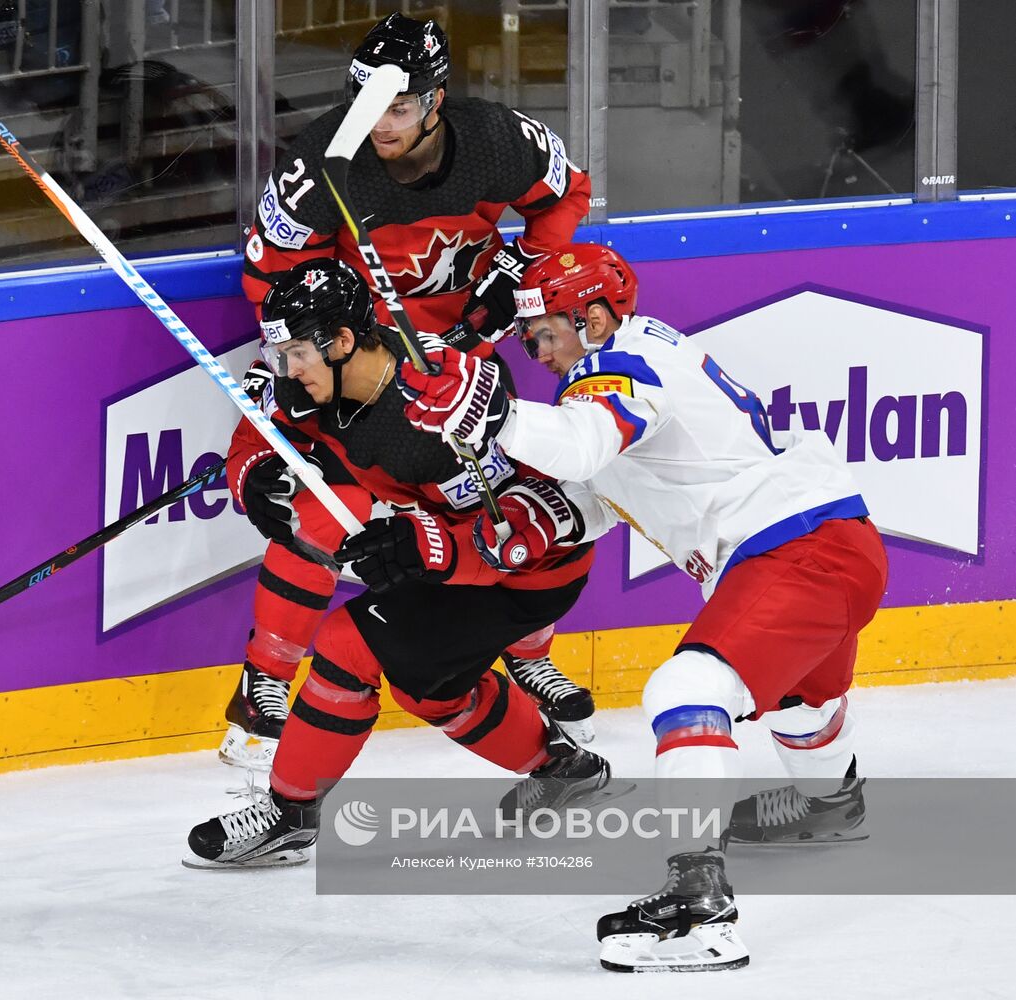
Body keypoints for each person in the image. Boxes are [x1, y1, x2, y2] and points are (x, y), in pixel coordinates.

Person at [397, 243, 888, 972]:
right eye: (528, 339)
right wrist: (494, 532)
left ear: (592, 314)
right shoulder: (622, 368)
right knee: (793, 700)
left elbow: (581, 441)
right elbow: (591, 496)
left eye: (546, 332)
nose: (536, 350)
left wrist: (488, 412)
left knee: (686, 689)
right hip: (824, 545)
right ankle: (831, 805)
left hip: (794, 548)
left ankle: (699, 908)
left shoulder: (619, 359)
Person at [221, 11, 597, 766]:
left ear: (434, 100)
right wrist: (308, 357)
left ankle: (521, 652)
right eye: (368, 104)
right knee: (322, 503)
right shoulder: (318, 167)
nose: (378, 125)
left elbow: (566, 196)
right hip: (360, 363)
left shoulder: (497, 140)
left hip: (459, 364)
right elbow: (268, 282)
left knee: (496, 503)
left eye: (397, 108)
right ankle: (264, 678)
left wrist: (520, 272)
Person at [187, 260, 616, 868]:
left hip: (527, 569)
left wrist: (425, 547)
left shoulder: (445, 412)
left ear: (340, 343)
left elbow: (517, 530)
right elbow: (264, 427)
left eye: (296, 354)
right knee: (432, 690)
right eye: (278, 353)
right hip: (457, 552)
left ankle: (290, 814)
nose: (284, 368)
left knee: (346, 647)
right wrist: (251, 471)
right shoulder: (318, 374)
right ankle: (562, 770)